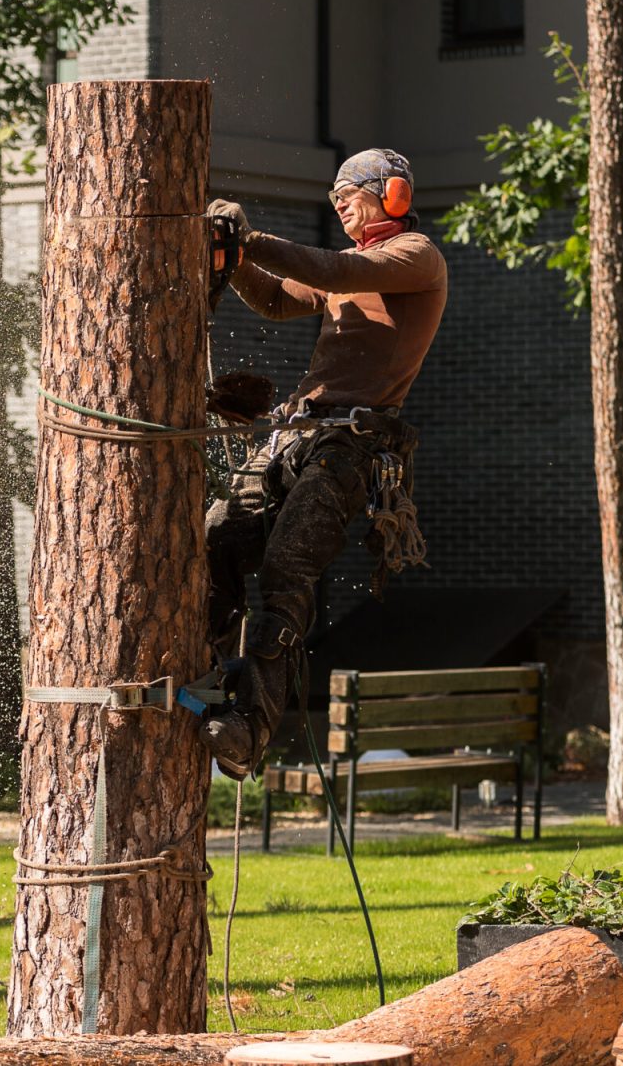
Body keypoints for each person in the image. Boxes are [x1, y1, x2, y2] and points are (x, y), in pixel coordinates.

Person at [199, 148, 448, 778]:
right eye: (333, 196)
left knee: (287, 567)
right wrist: (231, 260)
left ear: (390, 195)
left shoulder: (413, 256)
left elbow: (333, 270)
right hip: (297, 432)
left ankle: (249, 727)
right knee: (218, 537)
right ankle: (206, 677)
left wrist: (249, 236)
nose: (338, 204)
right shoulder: (356, 264)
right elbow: (280, 300)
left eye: (349, 193)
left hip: (351, 445)